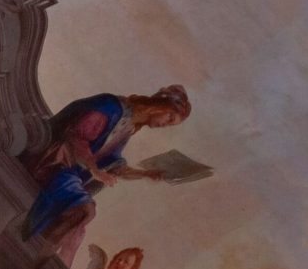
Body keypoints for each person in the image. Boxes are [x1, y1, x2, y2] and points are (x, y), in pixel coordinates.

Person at [24, 85, 197, 259]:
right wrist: (94, 169)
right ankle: (32, 256)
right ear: (162, 105)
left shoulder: (128, 126)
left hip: (67, 173)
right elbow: (76, 136)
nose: (165, 125)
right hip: (53, 159)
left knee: (85, 211)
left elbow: (113, 164)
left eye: (171, 124)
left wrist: (145, 174)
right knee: (85, 209)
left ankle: (35, 262)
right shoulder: (111, 106)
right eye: (170, 117)